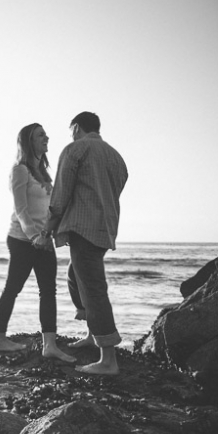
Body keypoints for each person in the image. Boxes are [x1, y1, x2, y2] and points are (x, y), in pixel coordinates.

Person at [44, 111, 128, 375]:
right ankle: (94, 334)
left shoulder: (75, 149)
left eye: (72, 130)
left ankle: (108, 360)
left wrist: (49, 226)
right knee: (74, 275)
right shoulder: (116, 157)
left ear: (77, 127)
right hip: (105, 228)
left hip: (83, 227)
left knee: (92, 288)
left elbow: (61, 193)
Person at [0, 123, 75, 362]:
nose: (46, 138)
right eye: (41, 135)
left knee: (48, 291)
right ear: (29, 141)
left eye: (45, 135)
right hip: (21, 239)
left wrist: (54, 234)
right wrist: (33, 237)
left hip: (44, 240)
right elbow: (21, 210)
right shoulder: (20, 170)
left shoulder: (45, 173)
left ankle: (49, 344)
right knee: (12, 288)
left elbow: (50, 210)